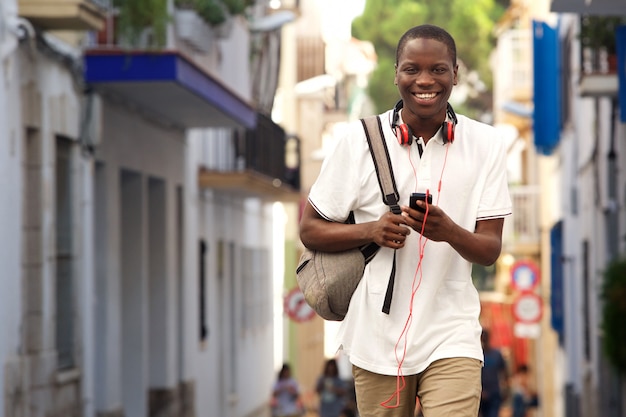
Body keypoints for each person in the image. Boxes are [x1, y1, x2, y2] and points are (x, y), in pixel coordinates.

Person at [299, 24, 512, 417]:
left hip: (453, 335)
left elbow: (489, 250)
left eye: (439, 69)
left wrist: (449, 232)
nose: (425, 80)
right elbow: (310, 228)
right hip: (376, 340)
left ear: (455, 74)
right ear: (396, 72)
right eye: (412, 69)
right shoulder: (358, 140)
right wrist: (371, 230)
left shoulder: (487, 145)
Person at [479, 330, 509, 417]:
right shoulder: (479, 354)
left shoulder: (496, 354)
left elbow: (505, 372)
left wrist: (505, 390)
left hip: (494, 393)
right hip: (482, 393)